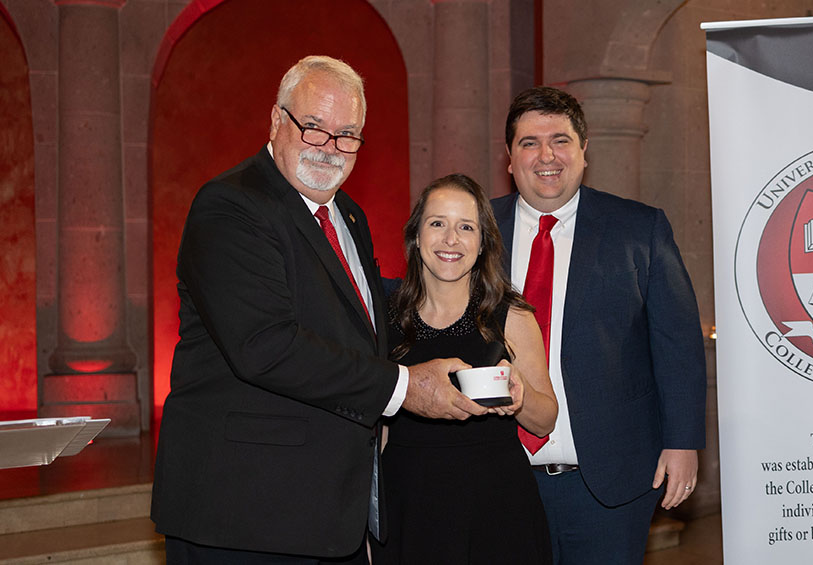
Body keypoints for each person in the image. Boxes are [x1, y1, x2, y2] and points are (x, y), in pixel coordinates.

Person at [151, 56, 487, 563]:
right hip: (245, 515)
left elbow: (361, 316)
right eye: (313, 128)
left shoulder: (348, 214)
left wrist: (484, 309)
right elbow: (265, 347)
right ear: (275, 120)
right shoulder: (231, 206)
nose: (330, 148)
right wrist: (403, 387)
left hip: (328, 514)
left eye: (347, 134)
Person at [491, 86, 708, 564]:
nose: (546, 155)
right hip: (500, 478)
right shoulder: (476, 230)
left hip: (610, 481)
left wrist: (683, 442)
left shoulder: (639, 229)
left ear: (584, 151)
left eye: (560, 140)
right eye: (529, 143)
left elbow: (678, 346)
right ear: (509, 158)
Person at [372, 173, 557, 564]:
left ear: (482, 242)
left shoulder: (510, 315)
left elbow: (545, 420)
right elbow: (381, 430)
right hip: (408, 502)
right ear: (416, 236)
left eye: (466, 227)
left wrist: (521, 394)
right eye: (437, 223)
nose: (450, 239)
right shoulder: (386, 318)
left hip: (496, 508)